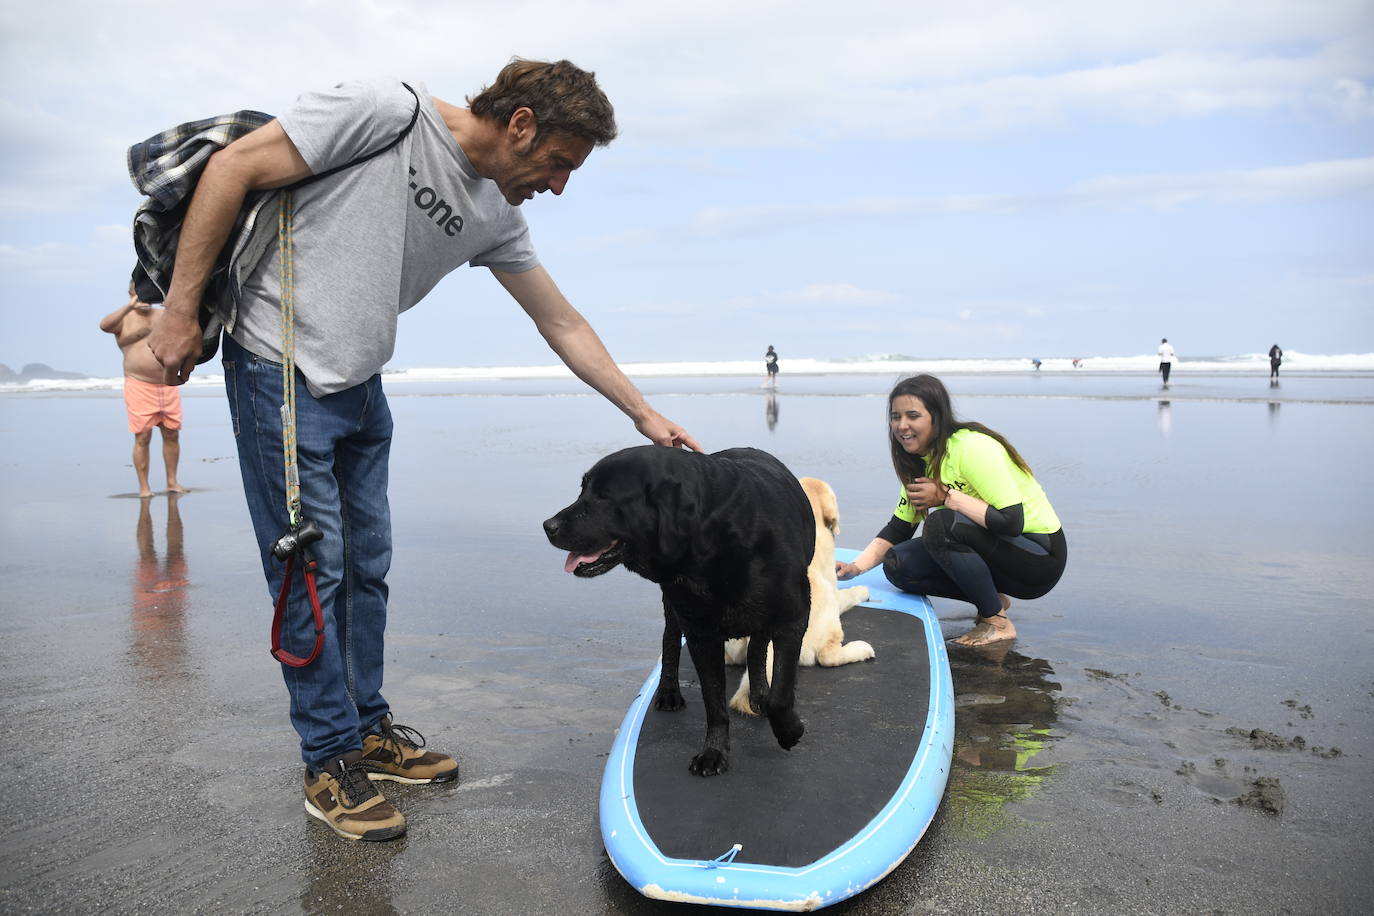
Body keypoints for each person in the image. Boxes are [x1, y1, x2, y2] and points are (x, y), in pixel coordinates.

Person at [144, 59, 701, 843]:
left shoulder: (497, 214)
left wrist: (643, 413)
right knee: (311, 571)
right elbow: (235, 166)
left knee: (366, 566)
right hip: (281, 368)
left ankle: (366, 729)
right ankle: (328, 760)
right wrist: (176, 313)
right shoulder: (385, 113)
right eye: (559, 163)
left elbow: (561, 321)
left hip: (363, 386)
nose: (560, 185)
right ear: (520, 124)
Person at [836, 375, 1067, 647]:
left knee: (942, 525)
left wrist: (945, 496)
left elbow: (1012, 522)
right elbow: (899, 528)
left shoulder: (971, 447)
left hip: (1038, 558)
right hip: (999, 554)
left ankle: (996, 622)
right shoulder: (919, 464)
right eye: (895, 416)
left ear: (937, 417)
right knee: (898, 564)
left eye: (913, 415)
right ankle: (992, 599)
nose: (902, 425)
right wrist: (856, 567)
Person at [100, 286, 190, 498]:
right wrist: (130, 306)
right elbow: (104, 326)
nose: (145, 297)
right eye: (140, 291)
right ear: (131, 292)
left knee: (171, 433)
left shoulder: (162, 315)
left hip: (167, 384)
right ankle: (144, 488)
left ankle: (172, 482)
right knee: (142, 436)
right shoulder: (124, 318)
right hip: (139, 384)